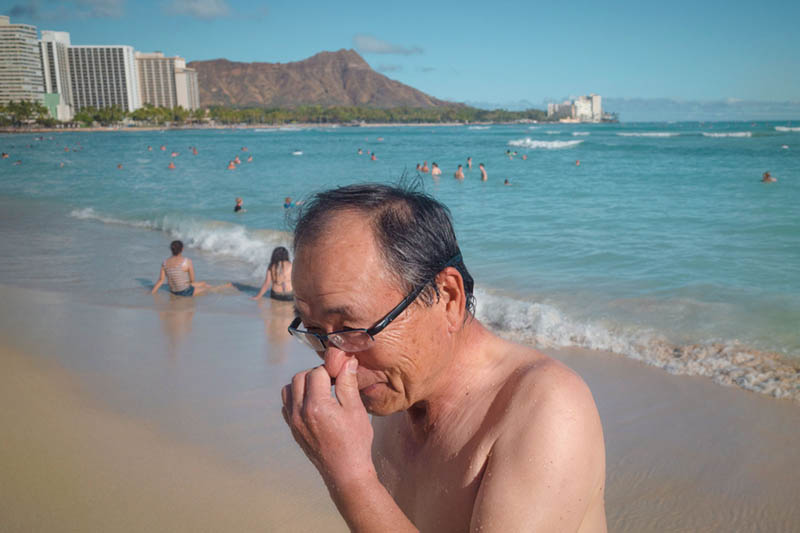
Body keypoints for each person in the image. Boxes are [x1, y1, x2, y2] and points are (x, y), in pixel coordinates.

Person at [282, 184, 606, 532]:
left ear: (449, 298)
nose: (333, 365)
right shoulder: (397, 395)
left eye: (353, 328)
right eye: (315, 330)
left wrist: (351, 479)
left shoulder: (545, 407)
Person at [151, 240, 220, 297]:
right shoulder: (186, 261)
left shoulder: (165, 263)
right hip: (185, 292)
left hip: (173, 291)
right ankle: (223, 287)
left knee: (202, 283)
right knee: (205, 288)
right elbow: (192, 280)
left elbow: (160, 280)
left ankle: (206, 285)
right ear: (182, 249)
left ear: (171, 249)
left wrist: (152, 293)